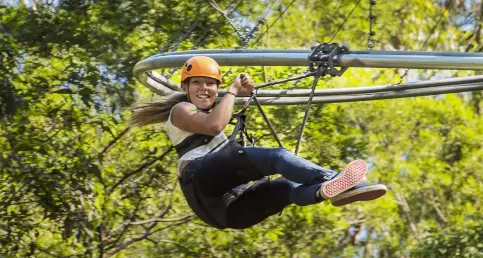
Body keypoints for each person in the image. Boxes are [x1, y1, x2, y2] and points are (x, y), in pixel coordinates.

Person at [130, 55, 386, 230]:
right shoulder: (181, 110)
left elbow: (216, 124)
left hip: (230, 214)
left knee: (286, 189)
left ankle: (322, 191)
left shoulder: (209, 110)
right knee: (276, 157)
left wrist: (238, 94)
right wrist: (232, 91)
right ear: (185, 87)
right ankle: (338, 180)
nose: (204, 89)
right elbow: (214, 126)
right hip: (201, 181)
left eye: (210, 84)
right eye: (197, 83)